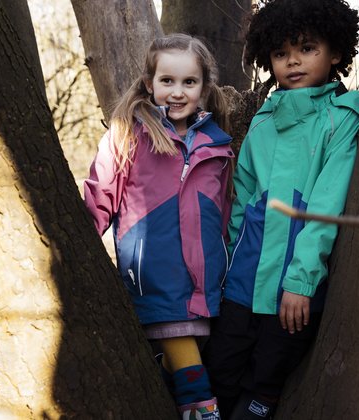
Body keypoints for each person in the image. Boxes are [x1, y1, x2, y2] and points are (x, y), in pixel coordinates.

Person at [202, 0, 359, 417]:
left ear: (336, 54)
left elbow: (328, 204)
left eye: (307, 48)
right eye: (279, 53)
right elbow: (242, 198)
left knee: (266, 378)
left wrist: (301, 281)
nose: (292, 61)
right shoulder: (263, 118)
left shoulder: (342, 118)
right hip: (243, 279)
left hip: (294, 284)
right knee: (220, 368)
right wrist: (224, 273)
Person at [83, 33, 232, 420]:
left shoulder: (217, 146)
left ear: (203, 87)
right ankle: (203, 411)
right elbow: (100, 193)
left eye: (189, 82)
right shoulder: (128, 134)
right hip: (152, 275)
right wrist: (77, 253)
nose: (178, 92)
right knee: (194, 377)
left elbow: (225, 212)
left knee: (179, 358)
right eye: (167, 81)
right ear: (150, 84)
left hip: (202, 281)